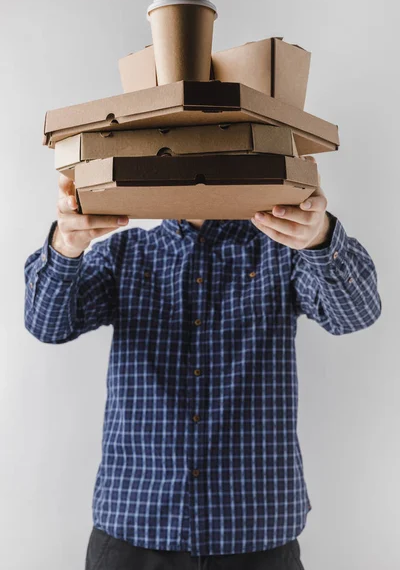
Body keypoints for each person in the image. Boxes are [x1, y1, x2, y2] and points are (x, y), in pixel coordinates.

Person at [24, 160, 381, 570]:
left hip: (255, 530)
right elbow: (47, 324)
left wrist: (320, 238)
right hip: (136, 525)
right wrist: (65, 247)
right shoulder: (124, 253)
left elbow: (357, 314)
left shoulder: (282, 253)